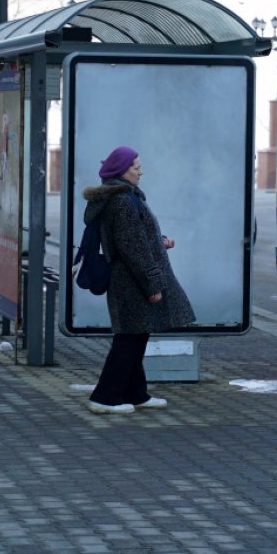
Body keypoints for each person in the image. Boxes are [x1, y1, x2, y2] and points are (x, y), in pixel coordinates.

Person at [82, 146, 195, 415]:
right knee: (128, 339)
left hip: (129, 279)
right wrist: (152, 284)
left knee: (137, 335)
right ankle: (105, 397)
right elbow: (133, 249)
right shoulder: (122, 201)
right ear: (122, 171)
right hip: (131, 281)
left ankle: (136, 393)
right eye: (136, 167)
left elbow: (137, 239)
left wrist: (159, 242)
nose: (140, 171)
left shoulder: (122, 197)